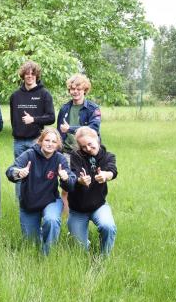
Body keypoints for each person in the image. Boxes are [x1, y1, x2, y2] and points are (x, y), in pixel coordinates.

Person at [6, 127, 76, 255]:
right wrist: (18, 173)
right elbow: (10, 171)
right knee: (31, 244)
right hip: (30, 202)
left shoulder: (60, 159)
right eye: (47, 140)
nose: (50, 144)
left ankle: (47, 255)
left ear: (58, 145)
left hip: (51, 200)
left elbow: (71, 183)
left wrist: (65, 178)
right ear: (40, 141)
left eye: (53, 142)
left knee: (51, 220)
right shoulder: (29, 154)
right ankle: (39, 243)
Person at [9, 60, 55, 202]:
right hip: (19, 141)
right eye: (27, 74)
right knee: (19, 171)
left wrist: (33, 120)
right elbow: (13, 119)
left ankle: (38, 199)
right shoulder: (15, 96)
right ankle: (20, 202)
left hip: (36, 140)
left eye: (32, 74)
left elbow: (51, 118)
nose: (30, 76)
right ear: (23, 76)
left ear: (36, 75)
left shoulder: (44, 94)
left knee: (37, 172)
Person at [67, 127, 117, 255]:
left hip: (98, 206)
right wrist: (80, 180)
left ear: (97, 139)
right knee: (80, 250)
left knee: (108, 227)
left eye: (90, 144)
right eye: (83, 146)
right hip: (78, 209)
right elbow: (73, 174)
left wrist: (106, 175)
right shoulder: (76, 156)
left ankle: (103, 256)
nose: (88, 149)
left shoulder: (108, 156)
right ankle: (83, 241)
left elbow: (112, 170)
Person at [57, 73, 102, 212]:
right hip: (67, 153)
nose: (75, 92)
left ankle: (85, 215)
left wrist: (70, 128)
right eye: (72, 89)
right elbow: (59, 132)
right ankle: (66, 220)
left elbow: (93, 128)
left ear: (84, 90)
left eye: (79, 89)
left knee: (86, 185)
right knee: (66, 186)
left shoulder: (93, 109)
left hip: (86, 153)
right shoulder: (64, 108)